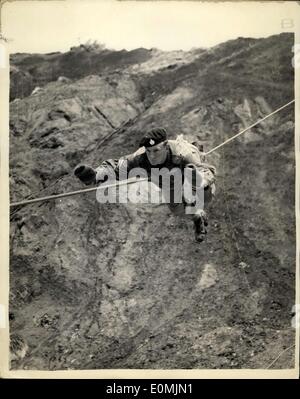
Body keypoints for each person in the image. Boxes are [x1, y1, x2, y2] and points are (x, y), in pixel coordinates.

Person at [74, 128, 216, 242]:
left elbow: (207, 170)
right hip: (167, 183)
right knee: (178, 210)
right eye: (148, 151)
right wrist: (95, 175)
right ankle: (197, 217)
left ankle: (196, 188)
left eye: (156, 151)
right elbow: (117, 167)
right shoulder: (140, 158)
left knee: (202, 195)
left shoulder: (183, 153)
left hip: (189, 175)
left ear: (166, 146)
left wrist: (202, 180)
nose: (152, 156)